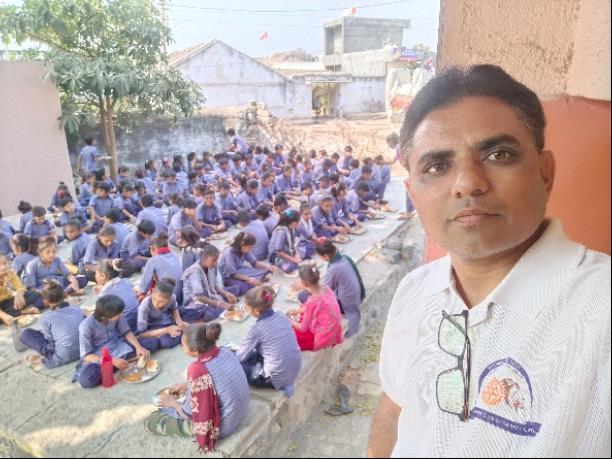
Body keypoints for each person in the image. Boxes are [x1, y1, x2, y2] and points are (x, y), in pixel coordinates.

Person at [368, 65, 611, 458]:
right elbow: (395, 409)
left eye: (499, 154)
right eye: (437, 166)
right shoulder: (414, 291)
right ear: (413, 195)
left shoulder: (601, 310)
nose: (468, 183)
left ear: (545, 173)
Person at [145, 323, 250, 452]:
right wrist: (187, 385)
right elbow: (217, 378)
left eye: (183, 345)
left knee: (152, 421)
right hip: (241, 411)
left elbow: (188, 414)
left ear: (195, 351)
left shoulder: (197, 371)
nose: (182, 347)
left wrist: (172, 403)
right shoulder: (225, 350)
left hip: (224, 426)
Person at [236, 285, 302, 396]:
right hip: (295, 368)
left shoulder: (257, 329)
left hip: (275, 379)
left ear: (256, 311)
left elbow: (240, 357)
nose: (247, 310)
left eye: (248, 307)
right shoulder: (281, 315)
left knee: (237, 366)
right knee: (254, 353)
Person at [76, 294, 150, 389]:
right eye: (118, 314)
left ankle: (119, 365)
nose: (121, 315)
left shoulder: (117, 316)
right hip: (100, 357)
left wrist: (138, 347)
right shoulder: (86, 326)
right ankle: (122, 363)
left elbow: (126, 332)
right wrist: (111, 361)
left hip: (118, 347)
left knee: (150, 344)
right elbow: (86, 356)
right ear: (106, 316)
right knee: (87, 380)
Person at [20, 280, 84, 368]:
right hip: (84, 350)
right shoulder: (77, 309)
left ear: (45, 301)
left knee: (26, 334)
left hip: (63, 357)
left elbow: (50, 345)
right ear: (65, 295)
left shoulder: (47, 317)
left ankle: (42, 359)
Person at [314, 239, 365, 338]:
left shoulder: (334, 268)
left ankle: (353, 334)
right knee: (354, 312)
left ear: (326, 256)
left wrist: (312, 288)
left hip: (348, 297)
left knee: (352, 314)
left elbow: (327, 288)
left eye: (321, 257)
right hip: (356, 291)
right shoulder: (345, 258)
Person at [286, 264, 343, 351]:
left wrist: (288, 320)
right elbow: (321, 308)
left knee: (291, 335)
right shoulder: (325, 287)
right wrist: (299, 310)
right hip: (335, 327)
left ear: (305, 283)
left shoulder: (312, 301)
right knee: (302, 314)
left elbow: (303, 328)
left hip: (325, 335)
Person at [181, 245, 240, 323]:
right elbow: (198, 296)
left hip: (209, 295)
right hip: (196, 301)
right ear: (204, 258)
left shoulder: (210, 267)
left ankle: (221, 305)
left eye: (217, 260)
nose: (216, 263)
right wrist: (219, 304)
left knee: (235, 289)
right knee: (208, 313)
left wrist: (226, 294)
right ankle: (215, 310)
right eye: (214, 260)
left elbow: (214, 286)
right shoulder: (195, 272)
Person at [137, 279, 185, 352]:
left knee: (188, 317)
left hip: (168, 322)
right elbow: (142, 334)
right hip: (154, 327)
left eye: (161, 302)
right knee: (165, 342)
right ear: (152, 292)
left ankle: (179, 333)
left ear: (168, 300)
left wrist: (179, 321)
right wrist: (166, 330)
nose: (156, 303)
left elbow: (174, 308)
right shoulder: (144, 306)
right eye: (154, 299)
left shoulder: (172, 298)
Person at [94, 259, 140, 332]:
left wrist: (101, 293)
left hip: (125, 326)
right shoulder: (126, 281)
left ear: (103, 276)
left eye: (96, 273)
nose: (95, 275)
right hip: (137, 320)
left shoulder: (105, 293)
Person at [137, 233, 182, 300]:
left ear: (152, 248)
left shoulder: (152, 260)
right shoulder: (175, 256)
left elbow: (143, 289)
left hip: (167, 299)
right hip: (181, 297)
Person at [0, 253, 40, 326]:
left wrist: (19, 294)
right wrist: (4, 316)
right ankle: (23, 311)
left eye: (5, 263)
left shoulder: (10, 272)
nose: (3, 267)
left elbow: (20, 287)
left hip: (8, 301)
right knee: (3, 316)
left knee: (33, 294)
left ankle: (14, 312)